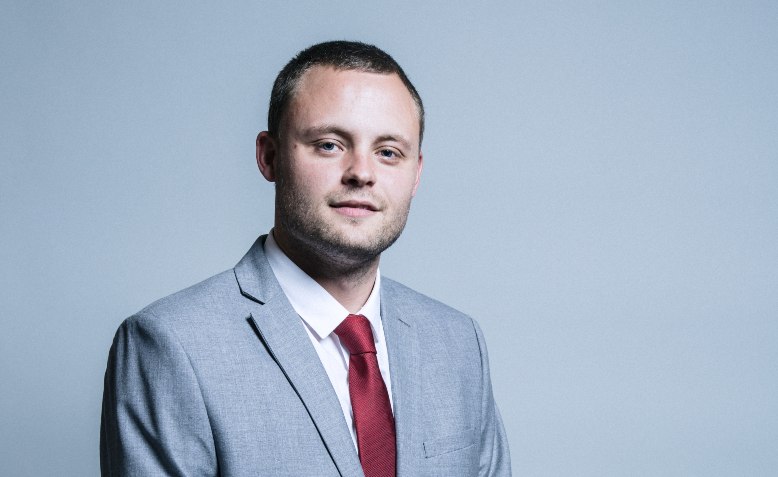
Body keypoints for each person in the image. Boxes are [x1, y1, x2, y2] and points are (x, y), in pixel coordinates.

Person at [100, 40, 510, 477]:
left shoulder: (458, 343)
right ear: (269, 157)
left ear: (416, 174)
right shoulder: (169, 346)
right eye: (330, 144)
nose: (362, 173)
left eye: (388, 152)